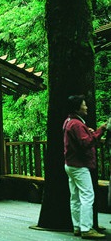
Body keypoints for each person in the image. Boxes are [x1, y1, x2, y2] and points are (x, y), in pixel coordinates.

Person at [63, 95, 106, 239]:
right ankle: (87, 228)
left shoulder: (69, 121)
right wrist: (101, 130)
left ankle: (77, 226)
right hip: (79, 165)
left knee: (75, 197)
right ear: (77, 108)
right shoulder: (76, 124)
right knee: (87, 196)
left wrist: (89, 132)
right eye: (84, 105)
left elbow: (80, 138)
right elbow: (85, 143)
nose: (86, 107)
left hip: (70, 164)